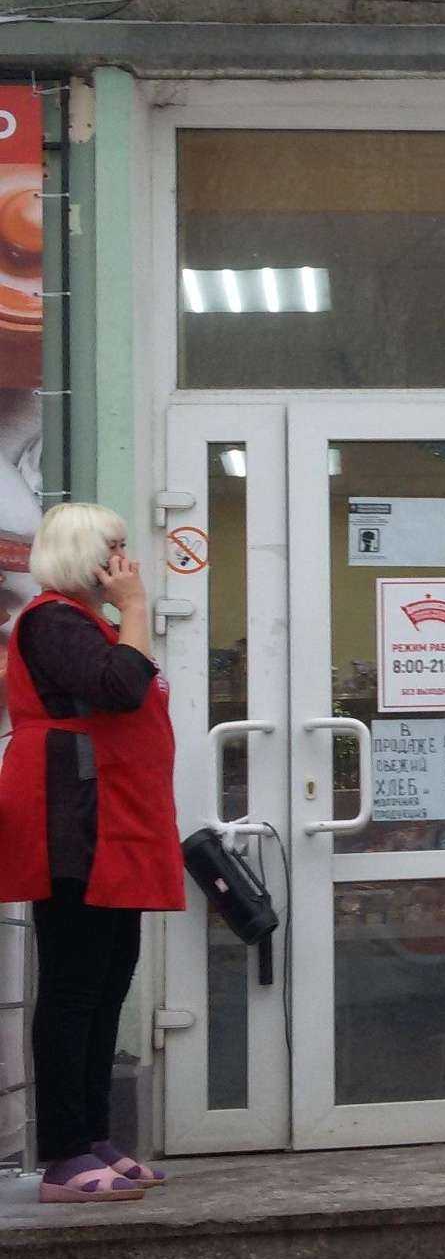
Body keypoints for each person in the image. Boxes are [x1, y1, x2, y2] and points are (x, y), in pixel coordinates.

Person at [0, 504, 186, 1201]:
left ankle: (96, 1136)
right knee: (75, 983)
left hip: (114, 821)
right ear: (87, 554)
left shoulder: (86, 624)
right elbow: (118, 686)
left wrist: (126, 614)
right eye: (115, 547)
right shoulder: (51, 620)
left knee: (110, 977)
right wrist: (136, 608)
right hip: (73, 820)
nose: (125, 561)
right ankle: (64, 1153)